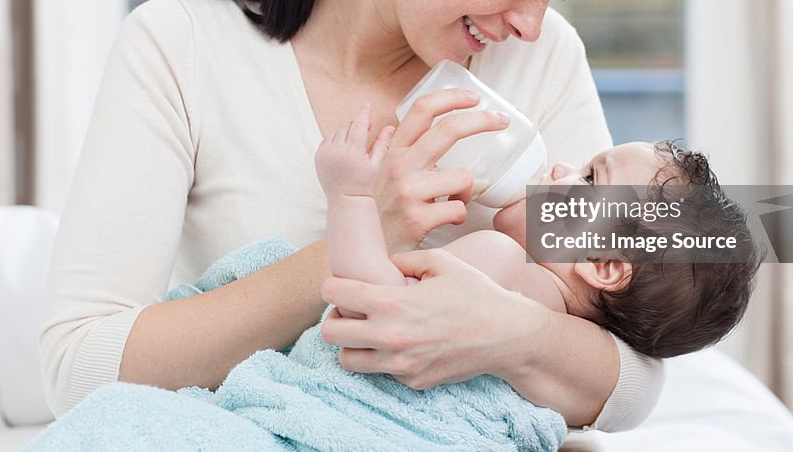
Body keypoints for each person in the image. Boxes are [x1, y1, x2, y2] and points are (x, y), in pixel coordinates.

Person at [39, 0, 662, 431]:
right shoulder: (180, 49)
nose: (532, 23)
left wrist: (506, 332)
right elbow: (78, 370)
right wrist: (364, 234)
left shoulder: (538, 58)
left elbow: (634, 373)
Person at [319, 104, 762, 359]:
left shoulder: (499, 260)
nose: (559, 168)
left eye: (590, 178)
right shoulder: (566, 346)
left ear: (605, 264)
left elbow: (373, 311)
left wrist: (351, 196)